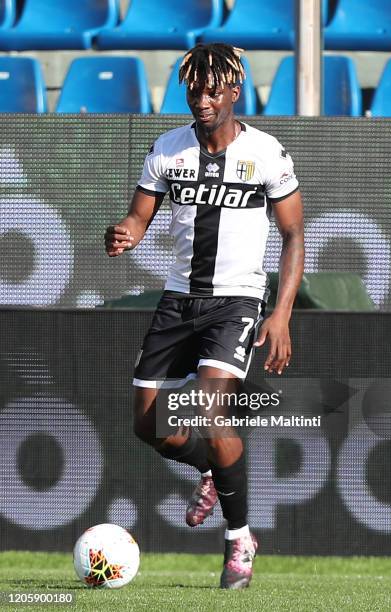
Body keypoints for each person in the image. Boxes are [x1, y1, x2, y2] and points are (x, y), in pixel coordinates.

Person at [104, 43, 304, 590]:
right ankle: (211, 470)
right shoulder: (167, 149)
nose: (203, 99)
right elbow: (139, 217)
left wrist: (280, 312)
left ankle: (239, 538)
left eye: (213, 89)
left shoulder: (267, 153)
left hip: (235, 302)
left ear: (234, 92)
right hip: (177, 301)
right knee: (147, 424)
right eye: (194, 89)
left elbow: (292, 235)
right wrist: (124, 234)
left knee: (214, 413)